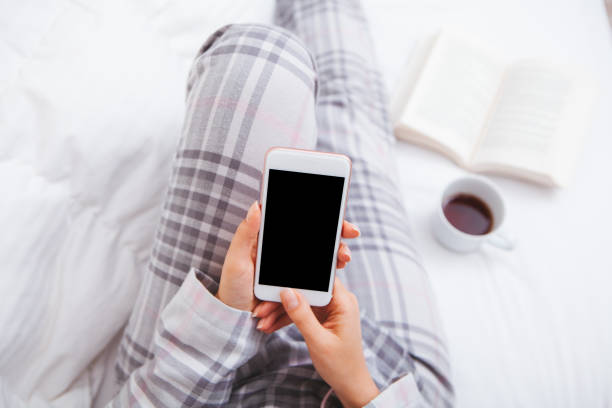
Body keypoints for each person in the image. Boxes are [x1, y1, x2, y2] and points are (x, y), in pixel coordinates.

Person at [108, 0, 453, 406]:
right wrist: (357, 383)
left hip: (192, 383)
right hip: (388, 379)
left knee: (258, 63)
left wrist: (221, 317)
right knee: (348, 116)